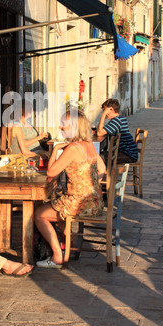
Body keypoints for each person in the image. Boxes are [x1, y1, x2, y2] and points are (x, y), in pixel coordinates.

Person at [34, 109, 106, 268]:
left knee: (39, 215)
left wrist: (56, 149)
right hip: (94, 203)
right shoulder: (88, 144)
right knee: (54, 209)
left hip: (79, 204)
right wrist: (89, 184)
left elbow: (51, 172)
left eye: (64, 125)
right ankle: (69, 244)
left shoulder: (73, 147)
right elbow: (102, 169)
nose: (60, 128)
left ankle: (57, 256)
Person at [96, 98, 138, 164]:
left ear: (111, 110)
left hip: (128, 155)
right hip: (129, 153)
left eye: (104, 110)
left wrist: (103, 115)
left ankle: (105, 173)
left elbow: (99, 133)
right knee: (99, 155)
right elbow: (102, 131)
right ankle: (106, 172)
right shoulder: (121, 119)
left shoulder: (116, 121)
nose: (104, 113)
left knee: (97, 157)